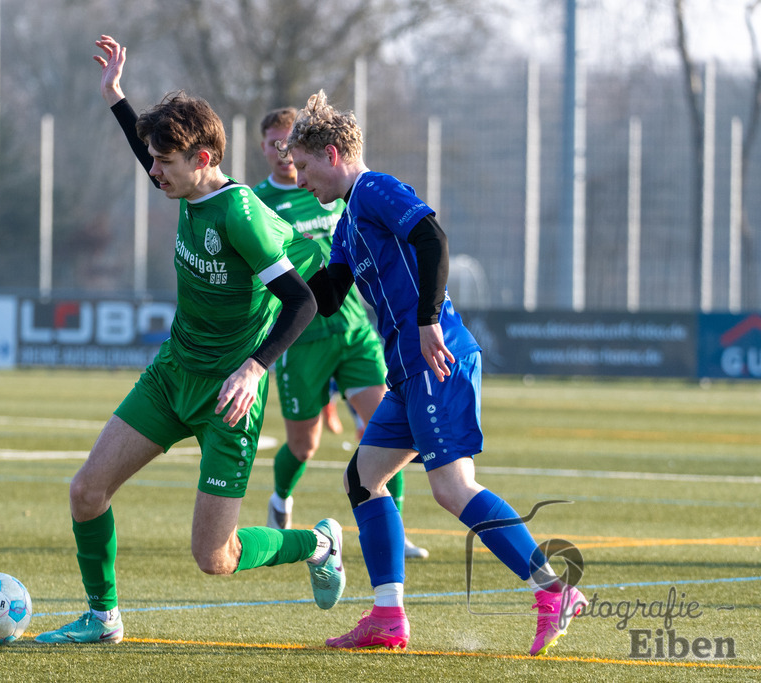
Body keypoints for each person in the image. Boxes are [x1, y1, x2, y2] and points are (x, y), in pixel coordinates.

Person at [34, 36, 345, 646]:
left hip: (229, 395)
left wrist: (254, 370)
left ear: (203, 158)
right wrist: (116, 98)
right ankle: (103, 619)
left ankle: (319, 541)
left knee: (216, 558)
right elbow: (147, 150)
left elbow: (302, 302)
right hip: (173, 374)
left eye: (165, 165)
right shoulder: (184, 183)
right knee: (87, 491)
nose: (154, 174)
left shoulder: (239, 216)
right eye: (153, 162)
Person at [284, 91, 587, 655]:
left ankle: (553, 589)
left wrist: (427, 320)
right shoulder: (347, 225)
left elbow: (432, 237)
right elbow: (327, 297)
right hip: (407, 371)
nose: (300, 180)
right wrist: (272, 272)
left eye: (303, 167)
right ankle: (387, 617)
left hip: (434, 358)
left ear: (331, 153)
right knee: (363, 479)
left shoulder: (373, 189)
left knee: (451, 487)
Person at [252, 108, 428, 560]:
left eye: (291, 147)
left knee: (385, 427)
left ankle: (395, 529)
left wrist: (425, 313)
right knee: (303, 444)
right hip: (303, 339)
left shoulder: (341, 191)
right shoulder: (256, 202)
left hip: (353, 331)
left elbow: (426, 237)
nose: (284, 156)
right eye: (274, 145)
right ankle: (281, 500)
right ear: (264, 147)